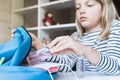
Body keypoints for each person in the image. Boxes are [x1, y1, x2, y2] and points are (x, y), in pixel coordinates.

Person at [12, 0, 120, 75]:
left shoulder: (116, 27)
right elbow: (67, 65)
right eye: (78, 7)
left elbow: (116, 68)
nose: (81, 10)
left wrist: (85, 50)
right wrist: (39, 45)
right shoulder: (76, 37)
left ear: (104, 7)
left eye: (90, 4)